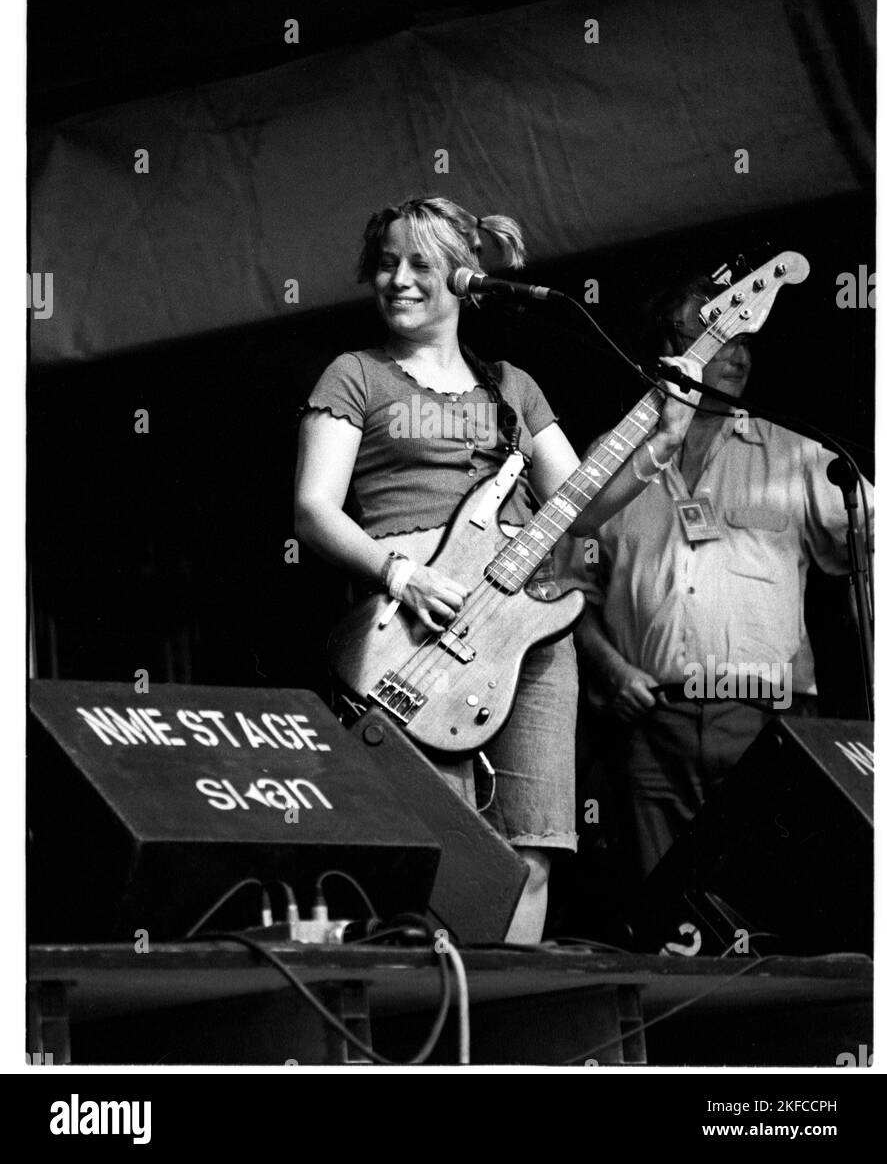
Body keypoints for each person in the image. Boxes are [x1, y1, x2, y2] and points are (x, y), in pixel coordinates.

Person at [293, 195, 697, 942]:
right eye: (386, 264)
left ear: (462, 277)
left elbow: (575, 503)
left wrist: (663, 436)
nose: (399, 279)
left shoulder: (512, 386)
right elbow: (314, 511)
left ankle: (502, 1025)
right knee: (443, 843)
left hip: (521, 628)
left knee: (531, 846)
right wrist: (400, 575)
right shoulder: (355, 374)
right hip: (413, 629)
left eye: (420, 263)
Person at [571, 272, 872, 886]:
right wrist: (612, 671)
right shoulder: (609, 457)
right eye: (716, 333)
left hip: (768, 720)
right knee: (662, 900)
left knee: (769, 897)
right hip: (652, 724)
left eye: (745, 339)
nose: (736, 351)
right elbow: (565, 591)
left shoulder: (797, 455)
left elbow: (871, 541)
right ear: (670, 348)